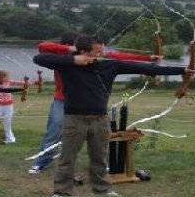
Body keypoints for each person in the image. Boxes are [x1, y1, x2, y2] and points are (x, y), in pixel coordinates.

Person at [33, 34, 195, 197]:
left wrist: (182, 70)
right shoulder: (67, 64)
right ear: (82, 51)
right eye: (96, 51)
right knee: (67, 158)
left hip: (101, 119)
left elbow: (145, 68)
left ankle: (102, 189)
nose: (101, 54)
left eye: (102, 50)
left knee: (100, 158)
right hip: (74, 118)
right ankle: (62, 191)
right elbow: (39, 57)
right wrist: (73, 60)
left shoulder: (109, 65)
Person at [28, 32, 162, 174]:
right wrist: (71, 50)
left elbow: (120, 57)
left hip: (88, 102)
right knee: (54, 131)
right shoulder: (62, 59)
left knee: (100, 134)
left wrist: (149, 58)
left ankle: (105, 164)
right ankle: (42, 162)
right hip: (63, 100)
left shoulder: (96, 56)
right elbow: (42, 47)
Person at [0, 70, 31, 144]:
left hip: (8, 105)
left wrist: (27, 82)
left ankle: (10, 139)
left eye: (6, 76)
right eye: (5, 77)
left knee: (7, 122)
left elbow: (24, 83)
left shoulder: (8, 81)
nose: (7, 78)